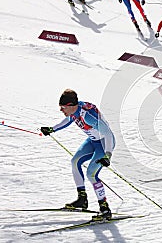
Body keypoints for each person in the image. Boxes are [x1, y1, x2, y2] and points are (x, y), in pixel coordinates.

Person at [40, 89, 115, 220]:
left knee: (91, 174)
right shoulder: (75, 110)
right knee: (75, 162)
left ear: (71, 105)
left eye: (63, 107)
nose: (61, 110)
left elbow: (107, 133)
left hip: (104, 144)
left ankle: (105, 209)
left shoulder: (88, 116)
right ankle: (82, 199)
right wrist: (52, 129)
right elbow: (69, 119)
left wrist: (107, 155)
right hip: (93, 141)